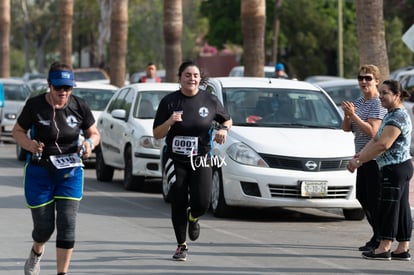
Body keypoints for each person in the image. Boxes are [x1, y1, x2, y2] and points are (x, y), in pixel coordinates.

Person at [12, 62, 100, 275]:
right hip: (39, 172)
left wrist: (89, 144)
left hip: (70, 173)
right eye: (59, 87)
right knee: (44, 228)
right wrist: (30, 145)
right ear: (49, 85)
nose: (63, 92)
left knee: (68, 224)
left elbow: (94, 133)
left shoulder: (79, 106)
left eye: (68, 88)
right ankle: (36, 252)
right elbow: (17, 131)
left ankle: (62, 272)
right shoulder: (35, 105)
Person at [153, 60, 232, 261]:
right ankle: (181, 245)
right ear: (180, 77)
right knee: (178, 200)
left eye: (195, 75)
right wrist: (169, 122)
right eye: (187, 75)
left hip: (202, 158)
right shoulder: (169, 102)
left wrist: (223, 129)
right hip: (175, 159)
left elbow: (227, 119)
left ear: (200, 78)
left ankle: (193, 217)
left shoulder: (210, 100)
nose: (192, 78)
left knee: (202, 201)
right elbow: (156, 134)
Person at [347, 79, 413, 261]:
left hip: (395, 169)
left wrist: (359, 161)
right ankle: (402, 248)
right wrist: (359, 155)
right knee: (400, 208)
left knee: (389, 208)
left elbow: (383, 144)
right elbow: (376, 139)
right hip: (398, 167)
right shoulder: (391, 115)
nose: (381, 96)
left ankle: (383, 248)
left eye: (385, 93)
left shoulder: (397, 116)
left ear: (397, 95)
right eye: (381, 92)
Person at [341, 64, 387, 252]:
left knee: (374, 199)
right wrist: (347, 116)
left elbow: (373, 131)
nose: (363, 82)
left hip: (374, 158)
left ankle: (381, 237)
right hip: (361, 157)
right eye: (361, 78)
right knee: (362, 196)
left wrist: (354, 116)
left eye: (368, 78)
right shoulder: (359, 102)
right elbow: (346, 128)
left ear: (376, 81)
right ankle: (377, 234)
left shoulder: (378, 103)